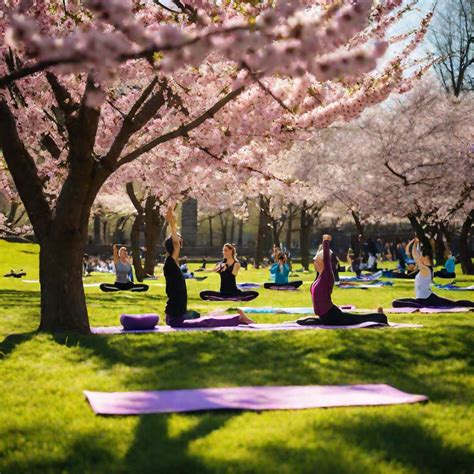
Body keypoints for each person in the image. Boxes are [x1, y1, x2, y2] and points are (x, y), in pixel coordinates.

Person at [163, 207, 254, 327]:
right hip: (175, 318)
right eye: (178, 237)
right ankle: (238, 318)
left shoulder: (173, 263)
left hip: (180, 314)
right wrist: (172, 224)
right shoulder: (171, 262)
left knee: (202, 316)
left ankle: (234, 315)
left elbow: (175, 243)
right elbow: (175, 243)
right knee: (207, 322)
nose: (180, 239)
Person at [297, 235, 388, 326]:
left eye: (316, 261)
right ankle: (378, 316)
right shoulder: (319, 277)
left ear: (323, 262)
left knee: (358, 319)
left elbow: (327, 259)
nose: (314, 263)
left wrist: (326, 241)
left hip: (332, 316)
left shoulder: (327, 275)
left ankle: (380, 317)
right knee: (356, 318)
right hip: (325, 317)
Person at [392, 238, 473, 308]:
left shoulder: (426, 269)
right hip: (421, 299)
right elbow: (413, 253)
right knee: (395, 302)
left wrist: (415, 243)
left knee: (454, 304)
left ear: (426, 257)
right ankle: (419, 305)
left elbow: (415, 256)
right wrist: (415, 242)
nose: (420, 258)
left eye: (421, 256)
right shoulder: (426, 269)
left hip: (427, 300)